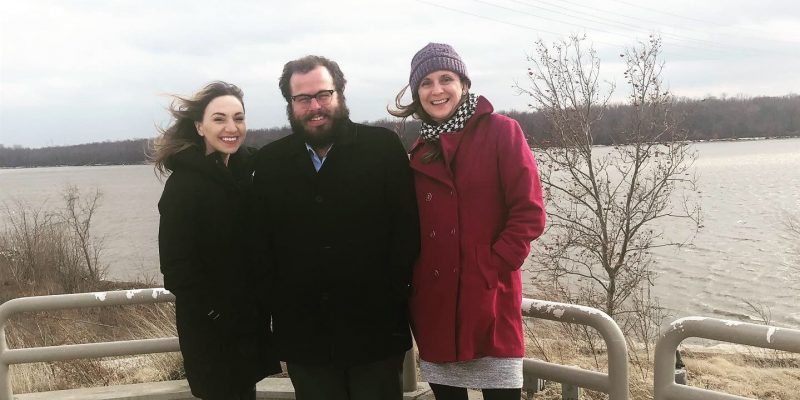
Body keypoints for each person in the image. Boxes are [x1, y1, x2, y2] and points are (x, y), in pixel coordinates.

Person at [251, 55, 420, 400]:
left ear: (340, 94)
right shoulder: (269, 163)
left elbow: (407, 230)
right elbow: (261, 245)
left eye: (323, 95)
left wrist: (394, 293)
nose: (315, 106)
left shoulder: (382, 148)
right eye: (303, 98)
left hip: (376, 331)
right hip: (305, 337)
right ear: (290, 104)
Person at [389, 43, 546, 400]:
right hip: (435, 304)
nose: (437, 89)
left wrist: (491, 266)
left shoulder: (501, 131)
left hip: (489, 299)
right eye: (426, 83)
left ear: (464, 84)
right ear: (417, 93)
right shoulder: (420, 151)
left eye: (446, 78)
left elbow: (529, 212)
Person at [153, 81, 281, 400]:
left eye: (239, 118)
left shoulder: (243, 174)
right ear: (199, 126)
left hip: (246, 326)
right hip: (210, 332)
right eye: (219, 118)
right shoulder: (183, 186)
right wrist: (217, 314)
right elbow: (176, 268)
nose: (231, 127)